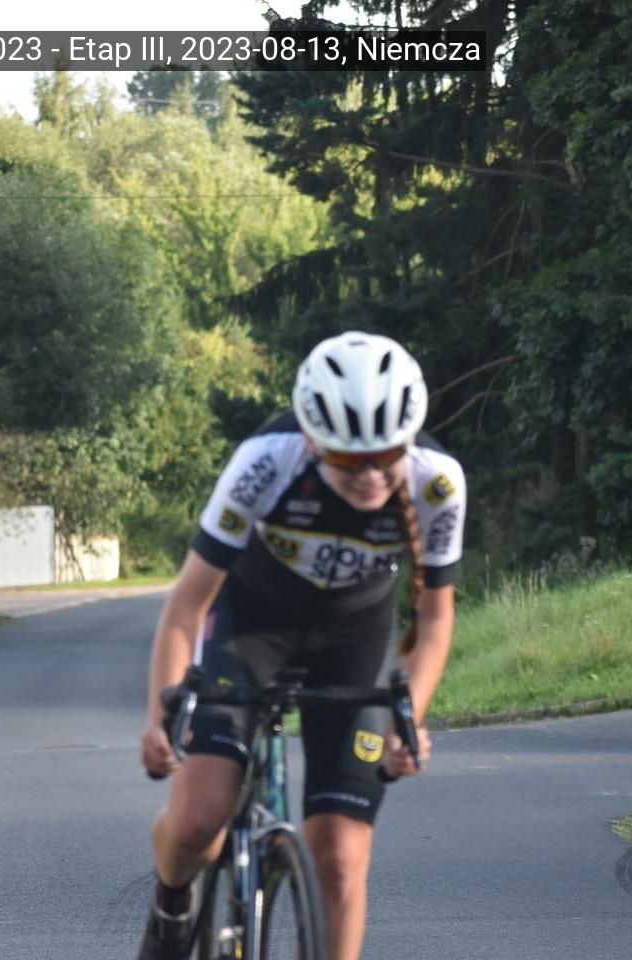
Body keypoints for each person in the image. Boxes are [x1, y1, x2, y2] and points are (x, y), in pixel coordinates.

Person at [137, 332, 467, 960]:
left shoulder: (437, 483)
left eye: (385, 455)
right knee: (199, 820)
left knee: (339, 862)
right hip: (253, 624)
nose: (370, 475)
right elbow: (187, 604)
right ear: (313, 443)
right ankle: (173, 901)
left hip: (354, 639)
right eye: (347, 460)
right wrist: (161, 715)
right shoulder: (266, 460)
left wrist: (409, 721)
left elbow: (433, 621)